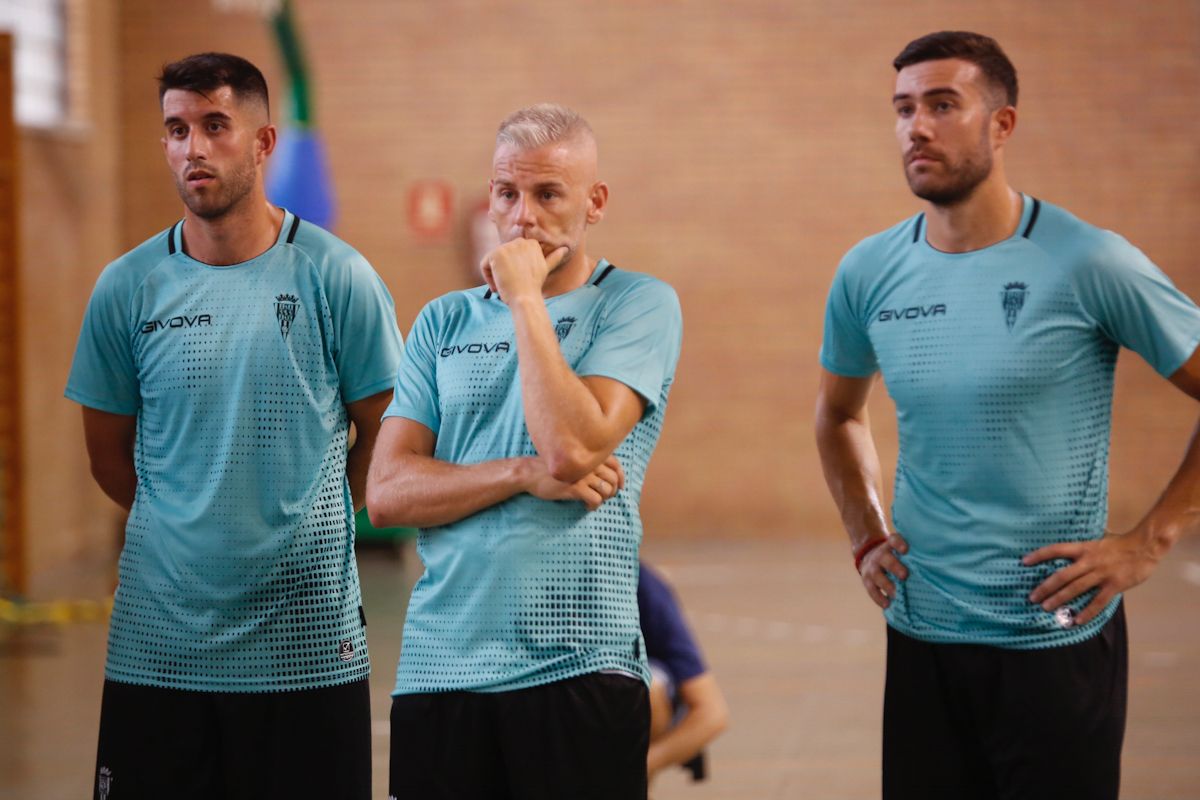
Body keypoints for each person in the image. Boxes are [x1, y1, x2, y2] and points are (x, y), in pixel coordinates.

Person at [814, 30, 1200, 800]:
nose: (916, 127)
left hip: (1054, 640)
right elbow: (837, 415)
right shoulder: (868, 271)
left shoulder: (1090, 262)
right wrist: (865, 531)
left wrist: (1149, 540)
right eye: (903, 109)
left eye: (942, 105)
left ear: (1002, 124)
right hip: (923, 636)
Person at [65, 52, 403, 800]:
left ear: (263, 143)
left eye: (216, 125)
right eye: (177, 129)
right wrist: (190, 523)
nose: (194, 148)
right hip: (159, 648)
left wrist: (308, 517)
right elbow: (108, 457)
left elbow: (387, 434)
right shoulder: (125, 288)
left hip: (307, 645)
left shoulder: (336, 276)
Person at [366, 103, 683, 800]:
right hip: (440, 669)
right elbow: (387, 492)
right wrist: (518, 473)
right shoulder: (443, 321)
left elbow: (570, 446)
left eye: (547, 195)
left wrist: (525, 300)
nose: (522, 216)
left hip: (579, 667)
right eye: (507, 194)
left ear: (594, 203)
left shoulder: (636, 305)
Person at [638, 561, 729, 784]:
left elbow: (713, 714)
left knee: (645, 688)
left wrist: (641, 767)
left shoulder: (642, 585)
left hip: (628, 704)